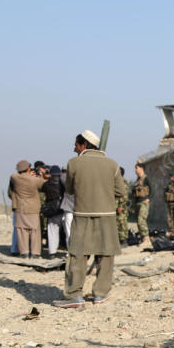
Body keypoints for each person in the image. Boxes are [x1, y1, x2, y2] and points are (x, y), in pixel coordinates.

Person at [53, 130, 125, 308]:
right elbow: (121, 192)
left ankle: (73, 295)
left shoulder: (74, 163)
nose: (74, 148)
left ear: (84, 145)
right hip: (107, 217)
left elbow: (69, 189)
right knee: (106, 255)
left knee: (77, 256)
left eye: (76, 145)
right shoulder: (112, 164)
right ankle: (100, 294)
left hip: (82, 215)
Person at [10, 160, 46, 258]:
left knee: (22, 231)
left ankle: (24, 252)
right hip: (33, 208)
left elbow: (14, 176)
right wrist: (40, 175)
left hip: (20, 208)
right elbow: (42, 184)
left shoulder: (15, 178)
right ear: (29, 168)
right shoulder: (35, 180)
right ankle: (34, 253)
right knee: (34, 231)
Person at [44, 165, 66, 256]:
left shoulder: (46, 184)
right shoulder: (64, 183)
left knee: (52, 231)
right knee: (69, 232)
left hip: (52, 211)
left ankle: (52, 252)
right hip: (64, 209)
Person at [131, 162, 152, 245]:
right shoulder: (137, 180)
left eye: (137, 168)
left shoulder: (146, 179)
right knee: (138, 221)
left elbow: (152, 190)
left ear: (141, 168)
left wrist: (148, 199)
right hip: (138, 203)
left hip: (144, 203)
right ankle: (143, 237)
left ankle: (146, 238)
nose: (135, 170)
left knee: (141, 220)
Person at [116, 167, 131, 244]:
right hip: (116, 206)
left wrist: (120, 206)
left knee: (122, 223)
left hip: (121, 207)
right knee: (118, 223)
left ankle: (124, 240)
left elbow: (124, 196)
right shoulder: (117, 182)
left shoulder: (123, 183)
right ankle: (120, 240)